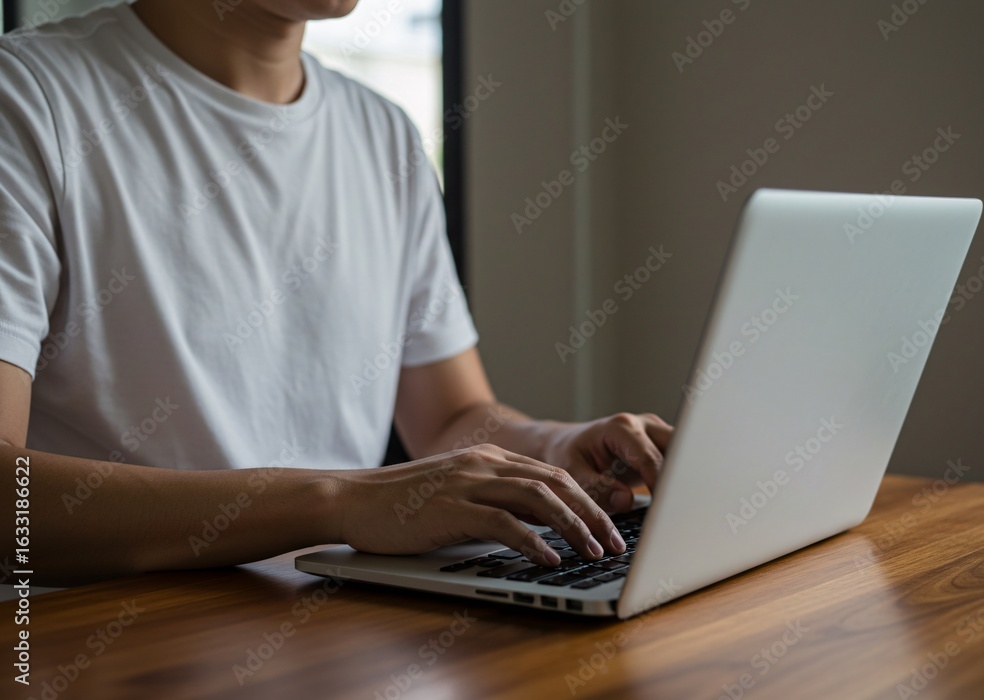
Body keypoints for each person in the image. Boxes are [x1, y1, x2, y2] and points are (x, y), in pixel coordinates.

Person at [0, 0, 671, 586]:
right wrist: (343, 502)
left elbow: (447, 418)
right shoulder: (27, 100)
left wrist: (556, 449)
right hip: (103, 642)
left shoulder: (385, 136)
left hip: (336, 627)